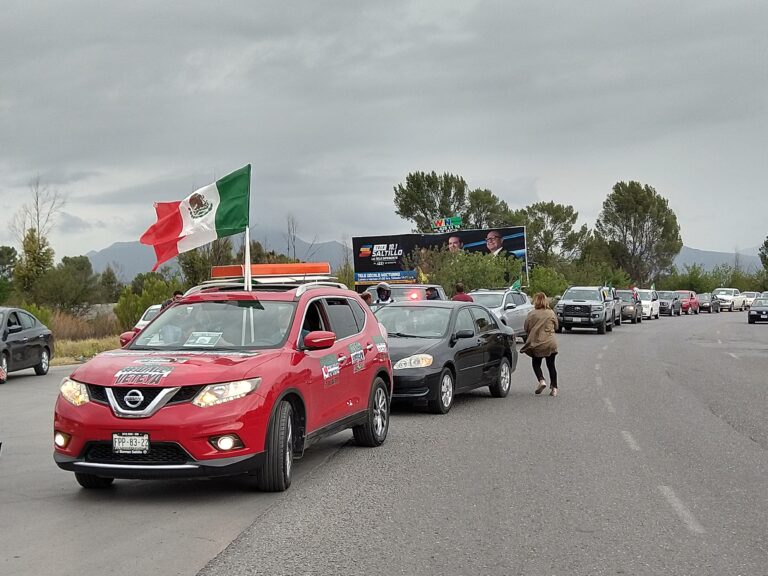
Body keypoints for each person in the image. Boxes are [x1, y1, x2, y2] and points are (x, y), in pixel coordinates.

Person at [520, 292, 559, 396]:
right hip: (550, 342)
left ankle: (541, 380)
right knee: (551, 365)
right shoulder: (551, 313)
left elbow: (526, 328)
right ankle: (554, 388)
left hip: (537, 343)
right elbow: (557, 326)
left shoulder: (532, 314)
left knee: (536, 363)